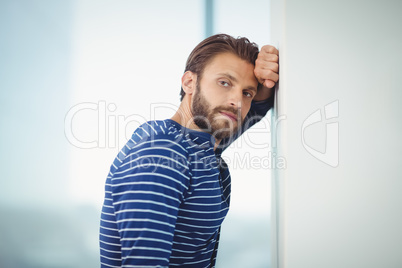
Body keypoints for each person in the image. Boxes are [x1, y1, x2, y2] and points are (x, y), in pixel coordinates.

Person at [99, 33, 279, 267]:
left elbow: (255, 109)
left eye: (246, 92)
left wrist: (265, 79)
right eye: (224, 82)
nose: (237, 101)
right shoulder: (161, 155)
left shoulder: (198, 145)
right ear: (189, 82)